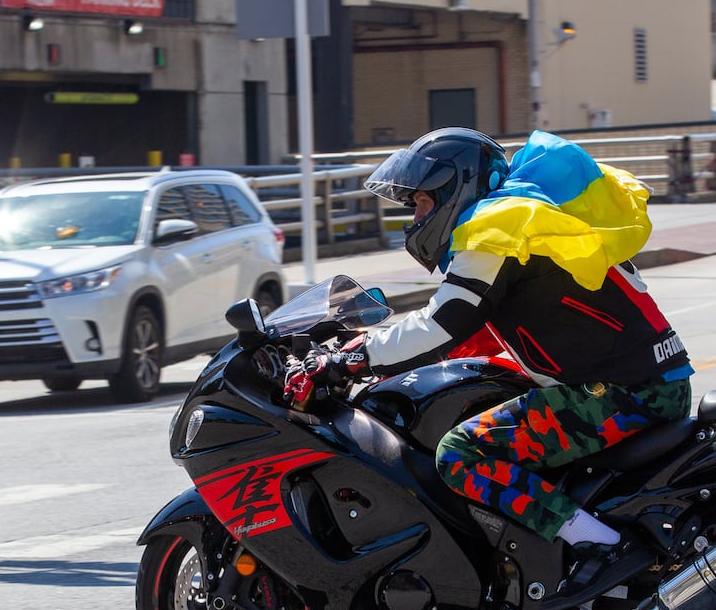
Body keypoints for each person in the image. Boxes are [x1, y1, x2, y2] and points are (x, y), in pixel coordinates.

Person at [291, 127, 693, 572]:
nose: (417, 217)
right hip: (645, 382)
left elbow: (442, 323)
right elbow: (472, 334)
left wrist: (352, 359)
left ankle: (600, 547)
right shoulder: (529, 214)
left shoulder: (493, 228)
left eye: (422, 201)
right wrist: (377, 352)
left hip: (623, 392)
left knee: (462, 452)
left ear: (454, 188)